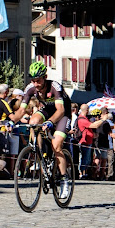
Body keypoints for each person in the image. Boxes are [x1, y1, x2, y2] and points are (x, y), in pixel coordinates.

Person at [21, 61, 73, 197]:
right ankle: (37, 152)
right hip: (47, 111)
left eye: (38, 81)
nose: (35, 84)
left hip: (63, 114)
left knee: (56, 145)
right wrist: (9, 121)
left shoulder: (55, 87)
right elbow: (21, 110)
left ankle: (64, 179)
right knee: (33, 121)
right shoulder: (30, 88)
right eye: (33, 81)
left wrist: (50, 122)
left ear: (45, 77)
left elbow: (60, 110)